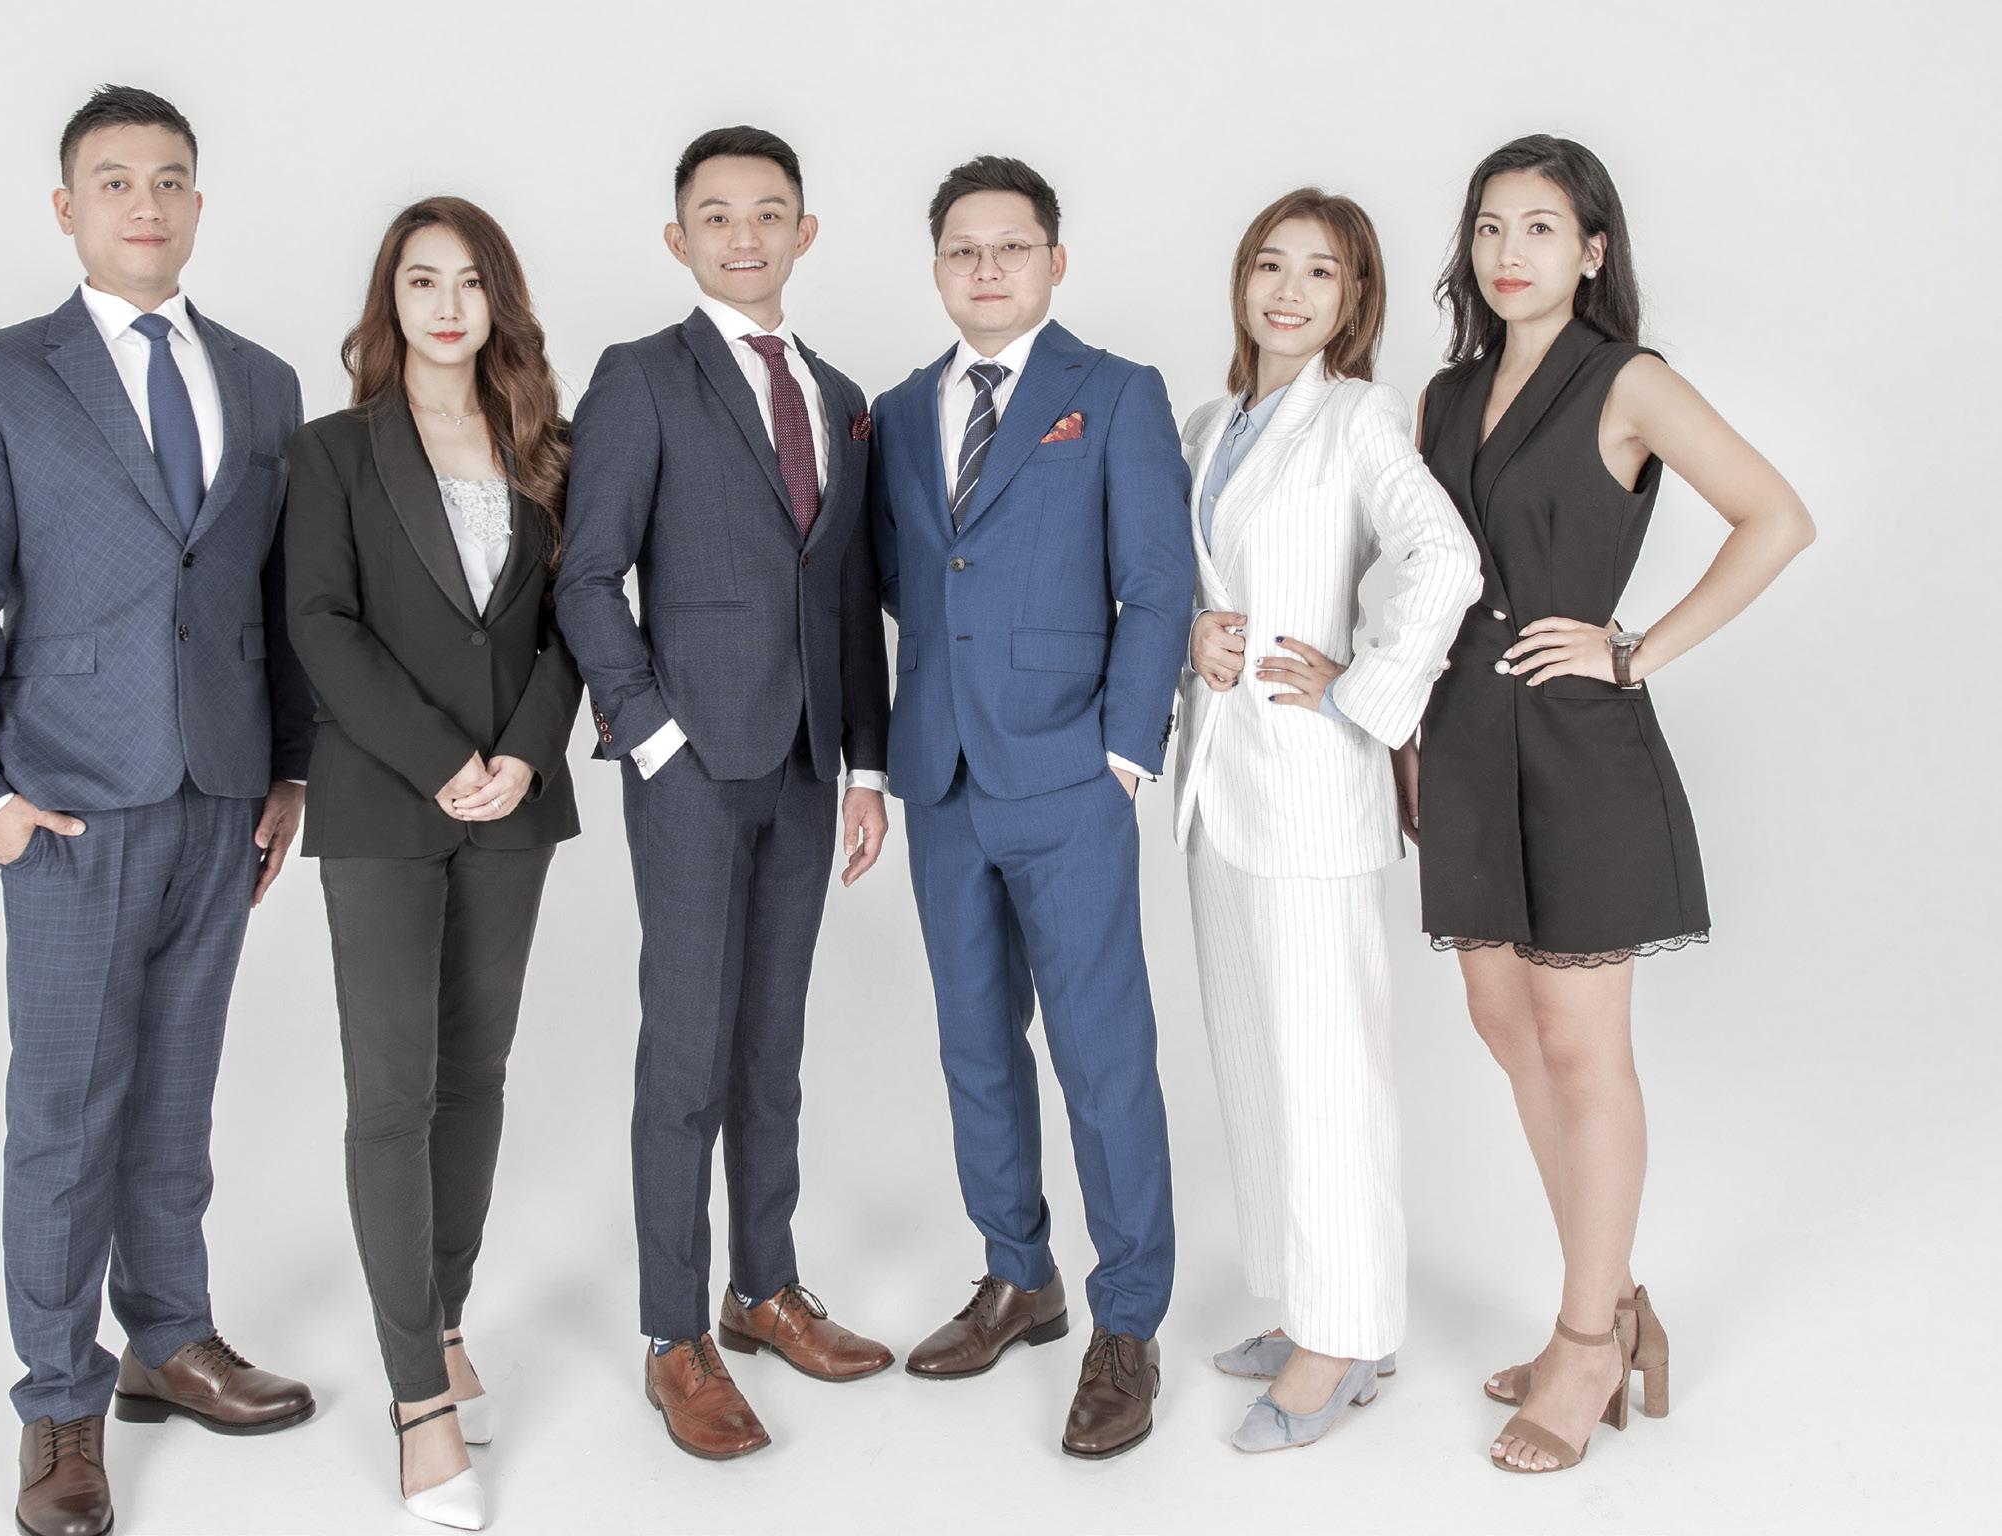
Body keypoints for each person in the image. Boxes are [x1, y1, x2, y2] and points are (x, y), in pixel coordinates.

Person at [0, 85, 316, 1536]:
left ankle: (169, 1340)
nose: (146, 203)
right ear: (67, 208)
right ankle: (59, 1405)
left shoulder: (263, 381)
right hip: (69, 801)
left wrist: (290, 769)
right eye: (116, 180)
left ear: (199, 203)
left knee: (176, 1093)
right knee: (67, 1113)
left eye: (171, 179)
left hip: (223, 796)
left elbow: (279, 599)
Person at [1411, 134, 1814, 1473]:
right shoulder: (1444, 393)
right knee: (1501, 1023)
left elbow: (1775, 518)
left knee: (1583, 1049)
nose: (1507, 250)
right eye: (1488, 226)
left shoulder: (1627, 379)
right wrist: (1405, 737)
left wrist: (1632, 650)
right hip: (1461, 738)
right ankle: (1613, 1295)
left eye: (1539, 226)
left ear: (1592, 250)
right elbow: (1421, 576)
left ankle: (1586, 1341)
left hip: (1577, 744)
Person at [553, 125, 896, 1462]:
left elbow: (847, 593)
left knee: (771, 1048)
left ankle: (764, 1289)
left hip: (806, 768)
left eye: (767, 213)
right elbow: (588, 576)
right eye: (715, 215)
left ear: (805, 231)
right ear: (677, 238)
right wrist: (649, 736)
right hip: (691, 768)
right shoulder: (640, 376)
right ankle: (671, 1336)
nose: (742, 236)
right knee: (686, 1054)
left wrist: (863, 762)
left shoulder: (843, 395)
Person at [870, 155, 1193, 1460]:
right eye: (963, 249)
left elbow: (1158, 583)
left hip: (1069, 779)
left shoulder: (1113, 393)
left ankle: (1128, 1321)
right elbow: (904, 579)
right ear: (937, 268)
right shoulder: (897, 412)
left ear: (1055, 262)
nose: (987, 268)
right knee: (974, 1045)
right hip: (942, 778)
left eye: (1012, 246)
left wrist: (1121, 753)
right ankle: (1019, 1273)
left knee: (1102, 1057)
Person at [283, 196, 584, 1530]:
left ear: (498, 299)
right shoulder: (332, 451)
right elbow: (320, 624)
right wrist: (438, 758)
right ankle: (417, 1397)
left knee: (477, 1075)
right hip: (384, 805)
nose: (447, 304)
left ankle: (445, 1315)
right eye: (422, 280)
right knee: (390, 1094)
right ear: (389, 300)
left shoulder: (545, 447)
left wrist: (522, 752)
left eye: (470, 281)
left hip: (512, 804)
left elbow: (573, 623)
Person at [1173, 189, 1480, 1452]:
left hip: (1307, 790)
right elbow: (1192, 583)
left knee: (1326, 1072)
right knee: (1254, 1059)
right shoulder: (1207, 425)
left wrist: (1364, 692)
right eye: (1269, 263)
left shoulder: (1356, 417)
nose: (1288, 290)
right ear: (1240, 280)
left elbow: (1443, 560)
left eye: (1320, 272)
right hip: (1216, 787)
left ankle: (1346, 1339)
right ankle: (1314, 1302)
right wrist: (1193, 641)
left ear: (1355, 301)